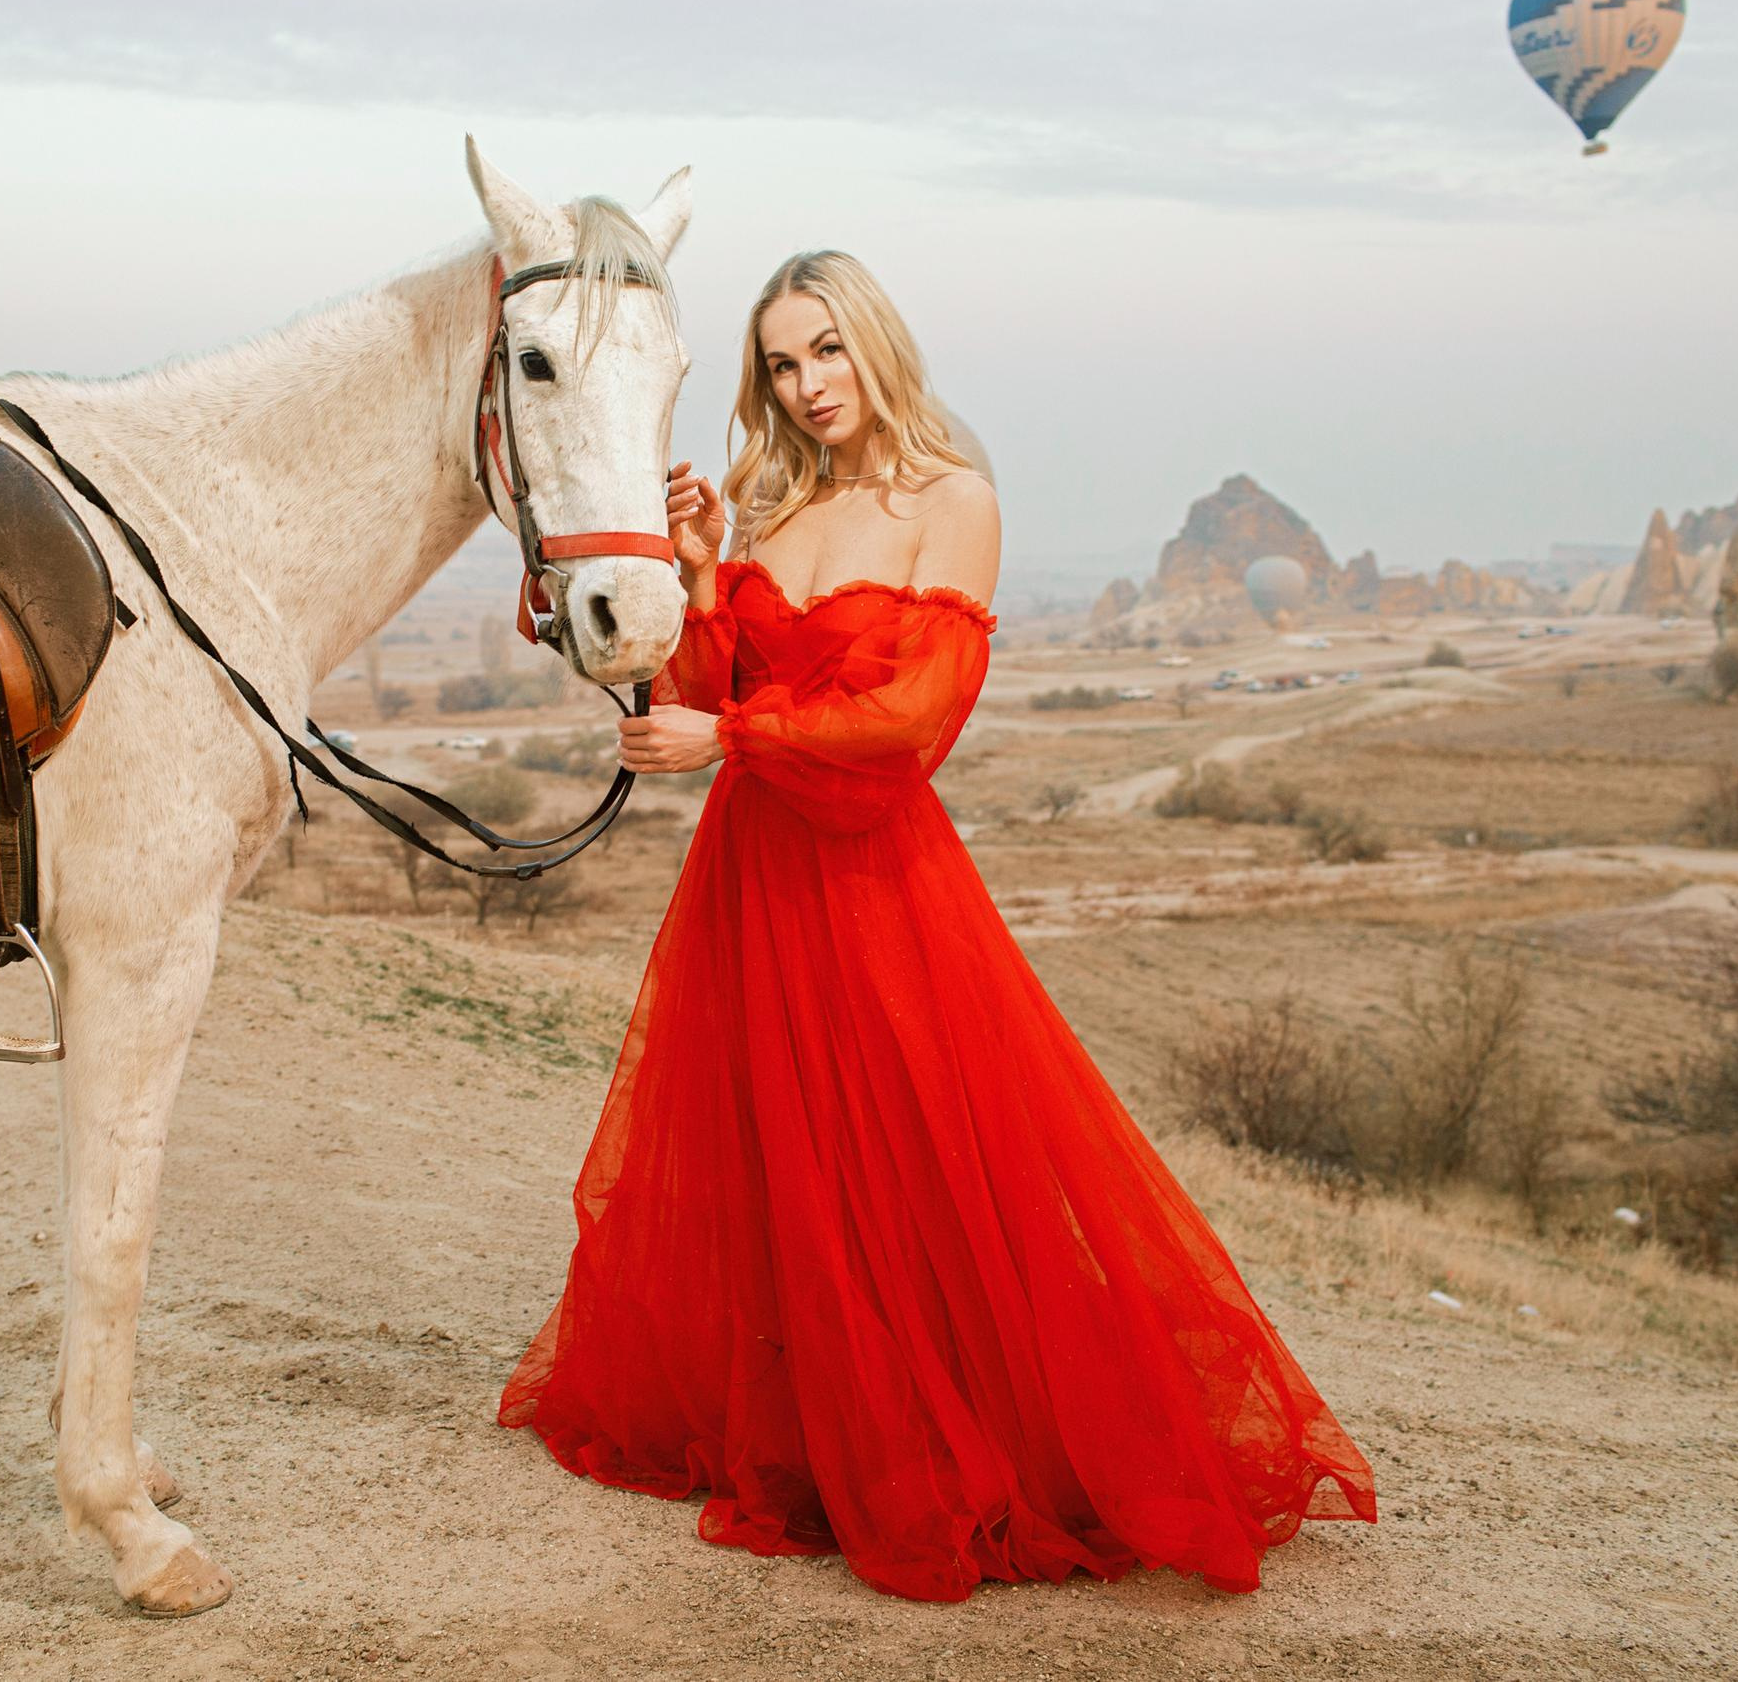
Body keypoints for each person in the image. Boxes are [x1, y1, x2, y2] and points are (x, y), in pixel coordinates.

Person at [497, 250, 1375, 1602]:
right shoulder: (767, 501)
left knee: (901, 1158)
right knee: (772, 1157)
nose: (808, 384)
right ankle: (805, 1433)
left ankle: (932, 1441)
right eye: (781, 364)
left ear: (876, 345)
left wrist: (729, 738)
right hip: (750, 875)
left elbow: (913, 723)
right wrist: (704, 572)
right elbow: (703, 681)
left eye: (827, 350)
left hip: (872, 877)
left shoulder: (955, 500)